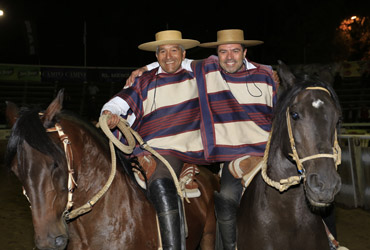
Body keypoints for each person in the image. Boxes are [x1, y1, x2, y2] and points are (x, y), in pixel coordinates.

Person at [126, 29, 278, 250]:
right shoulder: (210, 70)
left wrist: (273, 74)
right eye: (223, 51)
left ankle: (328, 238)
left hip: (265, 152)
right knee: (225, 196)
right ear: (216, 56)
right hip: (233, 156)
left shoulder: (265, 76)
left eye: (235, 51)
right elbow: (175, 62)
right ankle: (230, 247)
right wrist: (145, 69)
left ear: (244, 52)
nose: (229, 56)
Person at [101, 30, 202, 250]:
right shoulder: (144, 79)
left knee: (160, 182)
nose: (168, 56)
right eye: (162, 51)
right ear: (156, 56)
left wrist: (268, 72)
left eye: (174, 50)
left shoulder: (198, 73)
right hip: (147, 147)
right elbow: (120, 101)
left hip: (177, 148)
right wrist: (108, 113)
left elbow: (229, 63)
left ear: (183, 53)